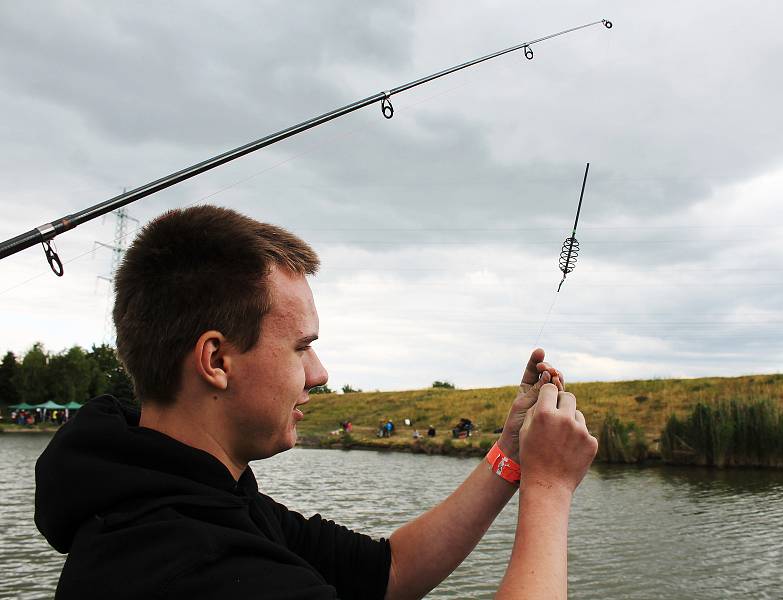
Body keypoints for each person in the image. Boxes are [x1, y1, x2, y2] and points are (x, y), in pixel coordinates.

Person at [34, 206, 596, 599]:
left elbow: (387, 573)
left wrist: (511, 453)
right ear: (216, 361)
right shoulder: (193, 567)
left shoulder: (199, 497)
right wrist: (548, 489)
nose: (320, 374)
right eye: (301, 347)